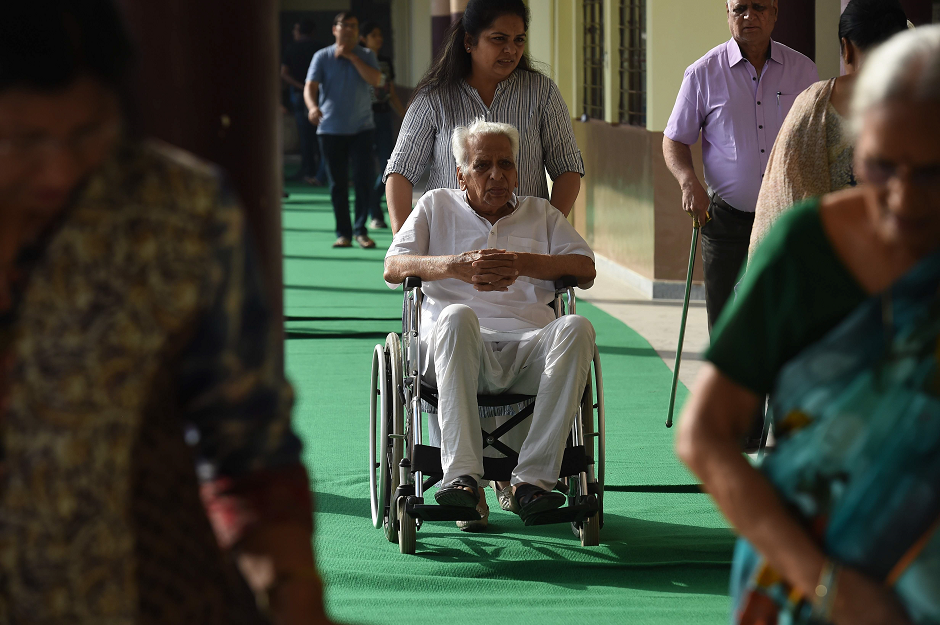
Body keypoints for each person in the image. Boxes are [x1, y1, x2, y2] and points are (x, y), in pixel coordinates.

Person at [0, 2, 330, 623]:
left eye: (87, 132)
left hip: (145, 587)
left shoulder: (177, 209)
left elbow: (247, 441)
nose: (60, 169)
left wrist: (289, 587)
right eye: (23, 141)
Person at [677, 25, 940, 625]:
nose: (901, 198)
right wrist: (830, 586)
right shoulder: (807, 250)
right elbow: (705, 435)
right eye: (879, 165)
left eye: (930, 173)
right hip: (802, 586)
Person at [384, 119, 596, 531]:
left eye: (506, 164)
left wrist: (525, 264)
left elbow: (584, 268)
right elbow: (394, 266)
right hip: (455, 347)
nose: (496, 175)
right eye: (482, 165)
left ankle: (531, 481)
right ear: (461, 173)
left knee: (576, 326)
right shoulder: (435, 206)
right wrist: (453, 267)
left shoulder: (541, 213)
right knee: (458, 316)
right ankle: (462, 477)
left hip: (528, 346)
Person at [663, 0, 818, 334]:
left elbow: (814, 138)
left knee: (784, 323)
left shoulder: (803, 71)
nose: (750, 16)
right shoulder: (702, 73)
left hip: (785, 220)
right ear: (728, 14)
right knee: (727, 329)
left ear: (775, 12)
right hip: (726, 223)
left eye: (759, 7)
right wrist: (688, 181)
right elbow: (674, 139)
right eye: (740, 9)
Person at [383, 0, 584, 234]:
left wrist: (549, 230)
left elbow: (567, 168)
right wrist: (405, 244)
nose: (511, 50)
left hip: (525, 243)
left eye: (519, 39)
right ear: (469, 42)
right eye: (499, 39)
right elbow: (400, 172)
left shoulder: (542, 93)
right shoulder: (434, 98)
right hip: (450, 241)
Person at [749, 0, 908, 255]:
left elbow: (783, 192)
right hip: (903, 261)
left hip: (830, 264)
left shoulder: (815, 102)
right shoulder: (924, 103)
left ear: (846, 47)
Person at [304, 11, 382, 249]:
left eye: (354, 26)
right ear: (334, 29)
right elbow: (310, 87)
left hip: (362, 128)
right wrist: (312, 107)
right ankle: (343, 233)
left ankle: (360, 231)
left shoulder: (366, 54)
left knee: (363, 181)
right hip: (330, 129)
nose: (349, 29)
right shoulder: (322, 56)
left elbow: (376, 80)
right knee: (337, 184)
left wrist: (352, 57)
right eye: (344, 25)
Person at [359, 21, 405, 230]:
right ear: (364, 39)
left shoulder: (385, 61)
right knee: (367, 166)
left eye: (380, 35)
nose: (379, 38)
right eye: (374, 35)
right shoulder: (358, 61)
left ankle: (373, 200)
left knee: (388, 165)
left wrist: (405, 115)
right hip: (363, 120)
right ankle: (375, 214)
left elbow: (391, 92)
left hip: (384, 116)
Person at [280, 18, 327, 186]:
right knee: (321, 134)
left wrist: (301, 86)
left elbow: (284, 73)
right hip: (320, 95)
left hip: (300, 95)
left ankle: (308, 170)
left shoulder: (292, 47)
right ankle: (323, 171)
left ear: (299, 32)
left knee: (305, 135)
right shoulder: (321, 49)